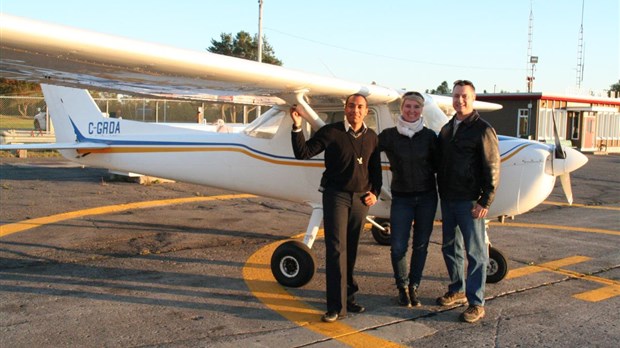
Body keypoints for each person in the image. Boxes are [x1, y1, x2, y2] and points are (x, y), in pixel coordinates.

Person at [290, 94, 382, 323]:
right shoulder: (331, 132)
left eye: (360, 107)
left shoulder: (371, 137)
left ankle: (348, 298)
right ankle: (335, 307)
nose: (356, 111)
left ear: (366, 111)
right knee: (336, 250)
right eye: (352, 106)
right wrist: (297, 126)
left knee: (351, 250)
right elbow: (303, 152)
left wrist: (375, 193)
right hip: (336, 197)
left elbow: (375, 169)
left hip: (361, 200)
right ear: (346, 108)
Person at [436, 80, 500, 323]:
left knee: (475, 252)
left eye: (464, 96)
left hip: (470, 200)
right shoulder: (446, 128)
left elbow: (492, 166)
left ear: (473, 100)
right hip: (448, 198)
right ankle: (457, 289)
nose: (459, 101)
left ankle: (476, 302)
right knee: (449, 247)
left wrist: (485, 200)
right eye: (455, 96)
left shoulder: (483, 129)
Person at [377, 91, 438, 308]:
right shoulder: (389, 136)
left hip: (427, 197)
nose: (412, 111)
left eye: (416, 107)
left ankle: (414, 286)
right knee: (397, 246)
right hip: (401, 198)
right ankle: (402, 286)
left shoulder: (430, 137)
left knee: (421, 245)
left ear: (422, 110)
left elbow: (444, 164)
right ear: (401, 109)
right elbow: (365, 150)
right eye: (408, 107)